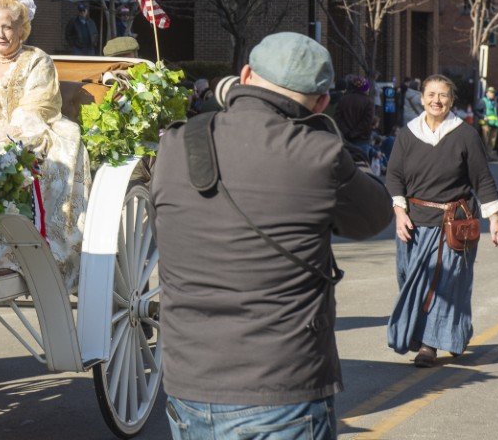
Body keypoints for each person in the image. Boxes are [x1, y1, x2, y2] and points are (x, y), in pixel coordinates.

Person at [150, 32, 392, 440]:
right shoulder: (320, 154)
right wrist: (351, 154)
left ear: (245, 75)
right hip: (280, 386)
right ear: (321, 103)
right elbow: (373, 217)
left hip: (188, 382)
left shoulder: (176, 143)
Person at [0, 0, 91, 290]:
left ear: (21, 28)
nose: (1, 33)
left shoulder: (38, 60)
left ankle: (24, 254)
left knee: (21, 166)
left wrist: (5, 139)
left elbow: (39, 105)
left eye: (8, 26)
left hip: (30, 130)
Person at [386, 74, 498, 367]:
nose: (436, 100)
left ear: (452, 100)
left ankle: (429, 346)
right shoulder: (407, 134)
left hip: (454, 223)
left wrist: (495, 218)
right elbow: (394, 177)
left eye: (443, 95)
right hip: (414, 223)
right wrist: (399, 213)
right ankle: (445, 335)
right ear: (422, 97)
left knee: (443, 287)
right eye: (430, 94)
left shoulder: (465, 135)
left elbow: (482, 179)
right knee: (410, 281)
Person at [335, 75, 378, 162]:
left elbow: (338, 118)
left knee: (346, 167)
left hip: (345, 140)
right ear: (365, 88)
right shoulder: (369, 102)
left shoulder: (343, 100)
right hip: (362, 140)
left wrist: (347, 132)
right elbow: (367, 122)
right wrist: (354, 133)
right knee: (362, 167)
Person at [475, 86, 498, 157]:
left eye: (493, 93)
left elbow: (496, 113)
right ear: (486, 93)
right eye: (490, 93)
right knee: (485, 141)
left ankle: (489, 155)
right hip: (486, 124)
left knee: (492, 142)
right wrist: (483, 117)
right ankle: (484, 156)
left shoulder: (495, 102)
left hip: (495, 124)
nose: (492, 94)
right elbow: (477, 111)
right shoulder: (483, 101)